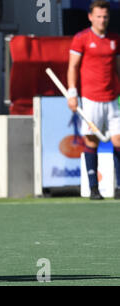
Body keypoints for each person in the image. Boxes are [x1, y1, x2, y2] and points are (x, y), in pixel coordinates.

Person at [67, 0, 120, 200]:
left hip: (113, 98)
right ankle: (93, 188)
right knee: (91, 141)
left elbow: (117, 67)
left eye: (105, 16)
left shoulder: (114, 39)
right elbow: (73, 67)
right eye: (98, 16)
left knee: (118, 141)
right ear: (90, 17)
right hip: (90, 99)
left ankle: (119, 188)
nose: (102, 20)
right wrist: (72, 93)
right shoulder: (81, 38)